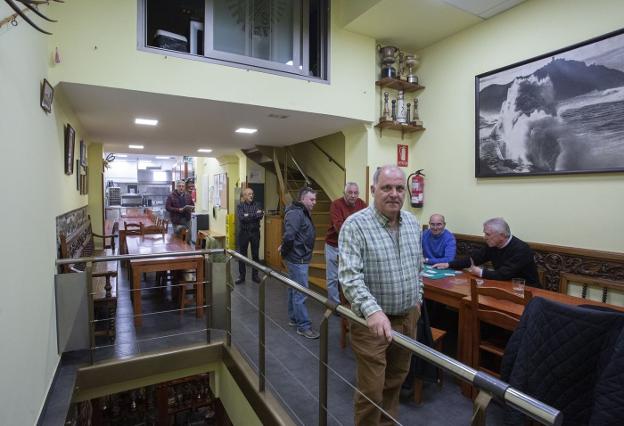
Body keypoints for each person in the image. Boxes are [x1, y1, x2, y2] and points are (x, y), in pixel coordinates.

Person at [339, 165, 423, 425]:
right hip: (371, 323)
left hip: (407, 319)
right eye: (387, 187)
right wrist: (372, 310)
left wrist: (417, 300)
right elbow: (350, 277)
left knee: (395, 382)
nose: (394, 194)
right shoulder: (355, 225)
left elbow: (417, 268)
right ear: (373, 190)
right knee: (373, 391)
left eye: (399, 188)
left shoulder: (411, 222)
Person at [433, 217, 540, 286]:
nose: (485, 237)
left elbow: (503, 274)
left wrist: (479, 272)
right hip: (503, 286)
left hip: (527, 291)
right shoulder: (493, 244)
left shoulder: (521, 249)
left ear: (502, 235)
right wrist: (448, 264)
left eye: (488, 234)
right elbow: (473, 258)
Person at [281, 187, 320, 339]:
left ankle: (294, 318)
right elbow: (289, 236)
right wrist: (285, 251)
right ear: (303, 198)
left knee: (293, 289)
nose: (314, 203)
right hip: (298, 259)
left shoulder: (301, 212)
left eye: (315, 199)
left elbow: (296, 235)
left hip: (298, 257)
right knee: (301, 293)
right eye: (312, 199)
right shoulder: (295, 213)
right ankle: (303, 326)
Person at [324, 182, 367, 304]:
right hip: (333, 245)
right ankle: (334, 305)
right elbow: (339, 227)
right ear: (344, 193)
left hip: (353, 247)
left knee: (351, 276)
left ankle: (349, 303)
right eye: (350, 192)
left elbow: (367, 223)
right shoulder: (336, 205)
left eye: (355, 193)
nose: (353, 195)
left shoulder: (362, 204)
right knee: (333, 278)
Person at [235, 187, 264, 284]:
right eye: (249, 194)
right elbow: (242, 218)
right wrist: (254, 214)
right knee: (242, 255)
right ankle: (241, 276)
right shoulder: (240, 206)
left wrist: (248, 215)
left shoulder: (258, 204)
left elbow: (260, 216)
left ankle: (255, 276)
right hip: (244, 232)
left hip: (255, 232)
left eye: (252, 194)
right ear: (244, 196)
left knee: (255, 255)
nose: (251, 195)